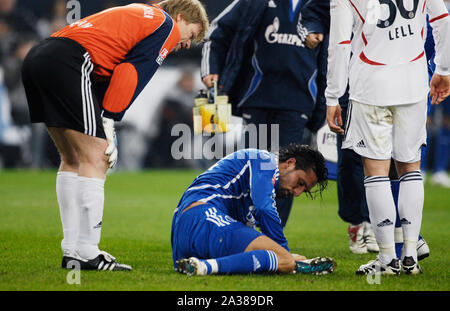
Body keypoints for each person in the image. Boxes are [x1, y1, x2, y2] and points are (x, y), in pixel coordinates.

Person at [22, 0, 209, 271]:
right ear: (180, 17)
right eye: (191, 35)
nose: (187, 45)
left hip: (40, 56)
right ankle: (86, 251)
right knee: (97, 158)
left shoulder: (139, 13)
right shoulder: (165, 24)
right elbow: (130, 72)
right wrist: (109, 122)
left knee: (73, 157)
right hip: (69, 60)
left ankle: (72, 248)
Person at [326, 0, 449, 275]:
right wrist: (443, 70)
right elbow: (442, 19)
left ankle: (386, 259)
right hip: (414, 82)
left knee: (376, 171)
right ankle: (409, 256)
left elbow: (340, 44)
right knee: (410, 167)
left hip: (371, 85)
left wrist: (333, 95)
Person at [200, 0, 328, 228]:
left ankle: (272, 239)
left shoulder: (322, 5)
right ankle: (241, 231)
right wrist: (211, 68)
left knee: (287, 175)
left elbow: (335, 55)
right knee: (251, 169)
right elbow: (218, 30)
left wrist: (326, 107)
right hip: (257, 98)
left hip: (297, 103)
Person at [171, 143, 336, 276]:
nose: (297, 193)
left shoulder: (248, 193)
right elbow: (264, 208)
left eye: (304, 190)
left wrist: (281, 257)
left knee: (272, 259)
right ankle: (205, 267)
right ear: (290, 163)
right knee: (283, 259)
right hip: (201, 216)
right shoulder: (264, 160)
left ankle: (201, 265)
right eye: (300, 182)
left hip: (188, 236)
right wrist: (284, 253)